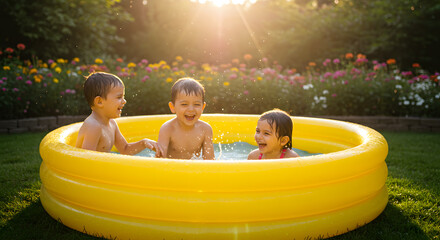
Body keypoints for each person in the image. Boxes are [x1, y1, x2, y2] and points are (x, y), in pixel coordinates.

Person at [76, 72, 163, 156]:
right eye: (119, 97)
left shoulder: (112, 124)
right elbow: (87, 159)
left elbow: (125, 149)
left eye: (123, 97)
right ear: (99, 101)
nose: (124, 101)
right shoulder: (93, 126)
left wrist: (143, 143)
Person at [157, 77, 215, 159]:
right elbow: (160, 160)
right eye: (184, 104)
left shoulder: (205, 129)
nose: (191, 109)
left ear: (203, 107)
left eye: (197, 104)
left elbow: (210, 160)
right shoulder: (168, 129)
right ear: (172, 107)